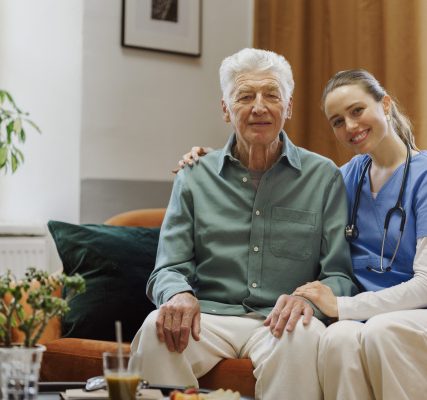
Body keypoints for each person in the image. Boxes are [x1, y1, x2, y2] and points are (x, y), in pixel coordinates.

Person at [179, 69, 427, 400]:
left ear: (386, 105)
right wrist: (220, 162)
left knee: (382, 330)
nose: (350, 126)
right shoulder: (347, 176)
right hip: (369, 318)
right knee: (334, 339)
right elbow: (284, 187)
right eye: (337, 121)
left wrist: (341, 305)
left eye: (357, 110)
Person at [131, 48, 358, 400]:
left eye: (271, 95)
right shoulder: (194, 176)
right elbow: (168, 268)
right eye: (245, 96)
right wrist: (176, 293)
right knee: (154, 331)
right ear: (226, 109)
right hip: (208, 318)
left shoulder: (323, 176)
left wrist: (309, 304)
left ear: (289, 107)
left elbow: (340, 275)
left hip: (281, 322)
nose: (259, 107)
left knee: (305, 335)